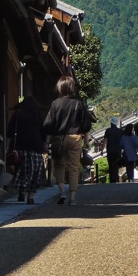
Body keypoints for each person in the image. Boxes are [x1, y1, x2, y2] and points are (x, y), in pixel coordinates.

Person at [41, 73, 92, 205]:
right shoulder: (78, 104)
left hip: (59, 138)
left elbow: (49, 125)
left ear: (60, 88)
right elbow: (85, 125)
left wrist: (47, 142)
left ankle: (62, 192)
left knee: (59, 166)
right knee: (73, 167)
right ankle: (73, 198)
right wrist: (86, 142)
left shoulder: (55, 104)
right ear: (72, 87)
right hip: (75, 138)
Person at [7, 93, 46, 204]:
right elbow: (44, 132)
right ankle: (30, 196)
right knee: (34, 172)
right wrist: (45, 144)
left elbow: (10, 131)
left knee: (21, 170)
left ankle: (21, 192)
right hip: (35, 148)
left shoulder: (18, 114)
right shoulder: (39, 115)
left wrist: (8, 146)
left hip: (20, 147)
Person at [104, 117, 123, 184]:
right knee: (116, 165)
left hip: (110, 150)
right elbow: (122, 140)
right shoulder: (120, 131)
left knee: (111, 165)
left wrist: (102, 150)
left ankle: (112, 179)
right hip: (118, 150)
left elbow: (105, 140)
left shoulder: (108, 131)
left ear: (111, 123)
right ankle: (116, 178)